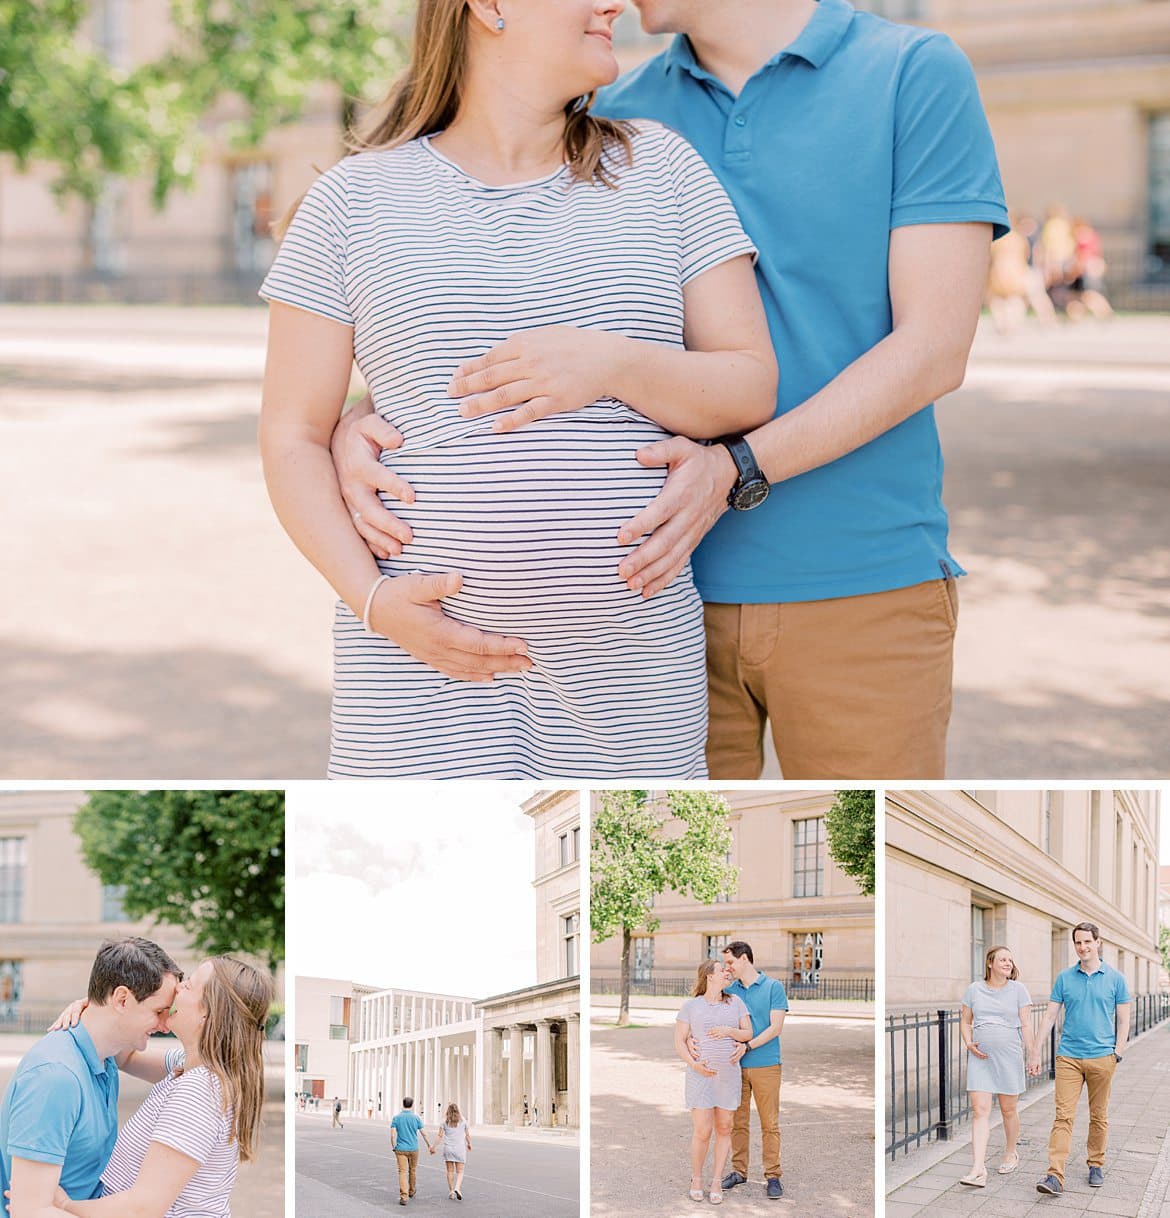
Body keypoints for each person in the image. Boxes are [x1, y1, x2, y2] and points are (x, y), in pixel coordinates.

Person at [332, 0, 1009, 780]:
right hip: (651, 610)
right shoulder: (610, 113)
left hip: (858, 582)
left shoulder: (912, 73)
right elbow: (519, 325)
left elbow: (933, 349)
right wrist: (367, 417)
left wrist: (737, 467)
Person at [258, 0, 776, 779]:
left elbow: (748, 385)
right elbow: (292, 434)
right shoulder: (350, 203)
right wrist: (372, 602)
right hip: (414, 681)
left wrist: (609, 364)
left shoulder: (661, 169)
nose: (615, 3)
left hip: (629, 685)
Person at [35, 956, 273, 1218]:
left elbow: (142, 1208)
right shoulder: (188, 1066)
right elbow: (125, 1056)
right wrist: (95, 1009)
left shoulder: (199, 1091)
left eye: (190, 985)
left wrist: (63, 1206)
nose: (179, 986)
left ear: (207, 1013)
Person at [1, 938, 181, 1218]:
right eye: (158, 1011)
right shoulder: (55, 1077)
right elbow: (29, 1211)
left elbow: (190, 1064)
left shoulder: (107, 1055)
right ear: (122, 999)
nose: (165, 1024)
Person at [1033, 923, 1131, 1197]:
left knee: (1099, 1116)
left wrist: (1118, 1051)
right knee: (1063, 1116)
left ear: (1098, 942)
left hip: (1102, 1058)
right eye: (1078, 942)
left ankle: (1096, 1164)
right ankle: (1054, 1175)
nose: (1082, 947)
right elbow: (1050, 1016)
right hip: (1069, 1058)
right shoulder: (1064, 978)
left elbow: (1124, 1018)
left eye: (1087, 941)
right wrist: (1035, 1051)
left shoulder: (1115, 978)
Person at [674, 961, 752, 1205]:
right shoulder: (690, 1006)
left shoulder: (736, 1002)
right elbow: (680, 1041)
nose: (727, 972)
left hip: (728, 1076)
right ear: (709, 976)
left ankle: (717, 1180)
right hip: (701, 1077)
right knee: (702, 1130)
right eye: (722, 970)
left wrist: (727, 1031)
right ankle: (696, 1179)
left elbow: (747, 1033)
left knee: (725, 1128)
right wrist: (694, 1064)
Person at [958, 945, 1036, 1187]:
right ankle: (978, 1169)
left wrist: (1033, 1054)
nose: (1007, 963)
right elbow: (965, 1019)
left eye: (1010, 960)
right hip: (980, 1058)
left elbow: (1025, 1024)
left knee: (1008, 1110)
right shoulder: (974, 989)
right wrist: (969, 1043)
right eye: (1002, 959)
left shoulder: (1018, 990)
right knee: (979, 1111)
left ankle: (1011, 1152)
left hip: (1009, 1057)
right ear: (990, 963)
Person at [715, 942, 789, 1199]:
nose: (728, 968)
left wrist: (748, 1046)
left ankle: (773, 1175)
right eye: (725, 965)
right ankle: (739, 1171)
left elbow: (775, 1027)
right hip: (735, 1067)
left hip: (766, 1064)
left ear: (744, 959)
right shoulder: (730, 991)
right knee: (738, 1123)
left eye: (730, 963)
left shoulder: (773, 987)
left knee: (770, 1123)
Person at [389, 1097, 434, 1207]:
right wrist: (429, 1146)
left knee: (402, 1172)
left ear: (402, 1104)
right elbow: (424, 1133)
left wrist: (394, 1146)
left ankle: (404, 1197)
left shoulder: (396, 1118)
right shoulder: (416, 1118)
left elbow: (392, 1135)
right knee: (412, 1170)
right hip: (414, 1149)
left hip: (400, 1149)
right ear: (412, 1105)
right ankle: (412, 1191)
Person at [430, 1103, 471, 1201]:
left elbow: (439, 1136)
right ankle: (457, 1188)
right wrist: (469, 1144)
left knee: (450, 1171)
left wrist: (433, 1147)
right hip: (459, 1149)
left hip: (448, 1149)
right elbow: (467, 1134)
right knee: (460, 1171)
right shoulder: (463, 1120)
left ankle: (452, 1191)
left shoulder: (444, 1121)